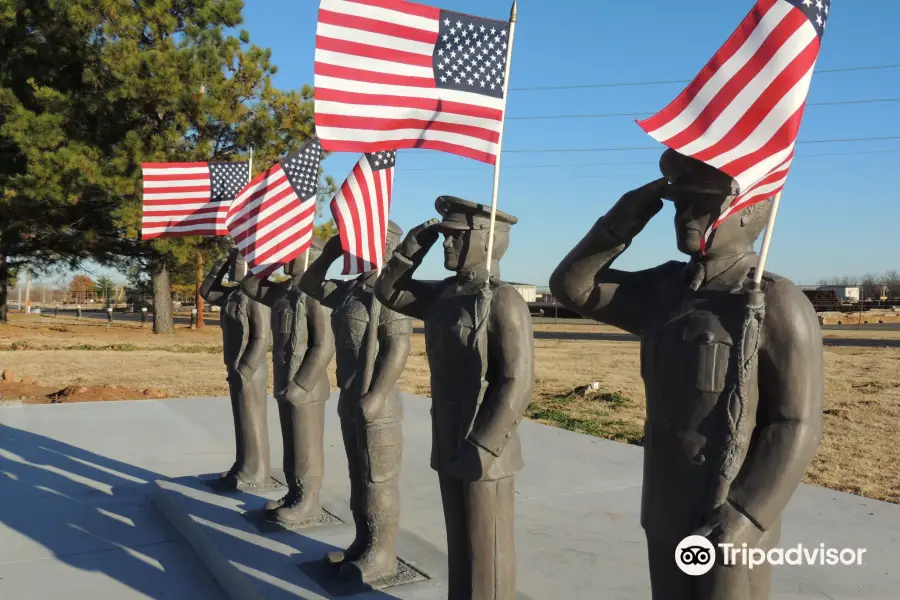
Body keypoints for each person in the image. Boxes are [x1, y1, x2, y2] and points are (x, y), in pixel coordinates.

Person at [550, 149, 825, 600]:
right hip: (665, 502)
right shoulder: (664, 289)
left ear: (750, 210)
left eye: (701, 203)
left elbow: (796, 422)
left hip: (726, 507)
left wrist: (747, 514)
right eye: (680, 204)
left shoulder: (775, 301)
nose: (685, 215)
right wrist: (621, 222)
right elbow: (572, 288)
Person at [375, 197, 535, 600]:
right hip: (448, 436)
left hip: (485, 449)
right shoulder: (444, 296)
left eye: (455, 237)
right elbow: (388, 290)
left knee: (488, 551)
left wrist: (482, 448)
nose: (447, 244)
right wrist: (413, 246)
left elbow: (517, 381)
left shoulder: (503, 300)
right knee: (460, 546)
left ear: (489, 240)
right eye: (445, 237)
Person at [299, 222, 411, 584]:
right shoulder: (350, 291)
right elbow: (309, 285)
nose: (357, 248)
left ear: (388, 248)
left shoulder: (389, 296)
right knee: (359, 476)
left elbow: (398, 347)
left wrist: (377, 395)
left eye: (367, 241)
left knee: (379, 480)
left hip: (379, 408)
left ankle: (382, 554)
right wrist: (329, 253)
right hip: (351, 397)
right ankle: (362, 543)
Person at [241, 238, 335, 525]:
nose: (285, 258)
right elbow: (249, 286)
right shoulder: (282, 294)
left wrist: (302, 385)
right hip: (285, 380)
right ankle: (294, 492)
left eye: (292, 253)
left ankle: (309, 500)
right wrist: (262, 259)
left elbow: (324, 345)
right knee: (290, 442)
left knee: (306, 445)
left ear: (310, 258)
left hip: (306, 387)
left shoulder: (316, 298)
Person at [199, 249, 272, 490]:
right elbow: (207, 292)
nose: (233, 267)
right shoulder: (233, 294)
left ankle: (256, 470)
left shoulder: (256, 296)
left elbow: (262, 337)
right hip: (235, 365)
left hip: (249, 368)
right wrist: (219, 264)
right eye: (232, 263)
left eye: (237, 263)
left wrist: (246, 368)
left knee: (252, 419)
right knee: (241, 419)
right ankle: (242, 464)